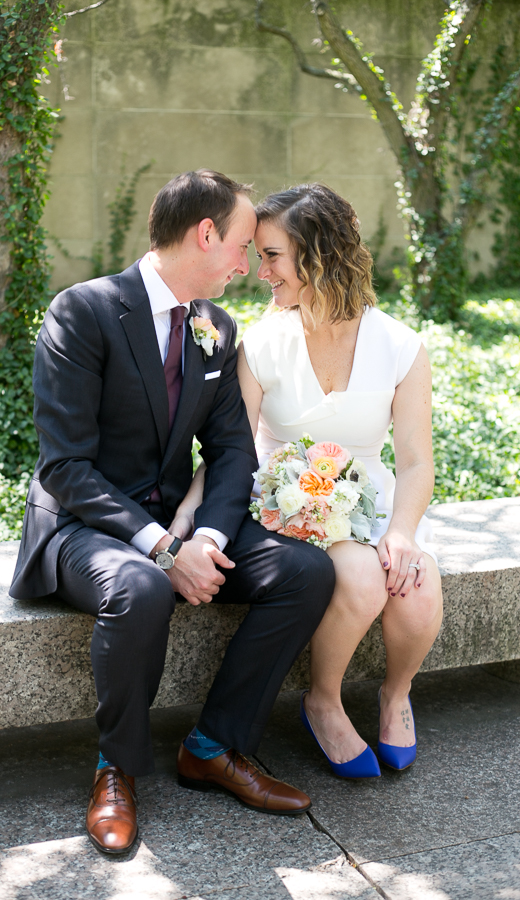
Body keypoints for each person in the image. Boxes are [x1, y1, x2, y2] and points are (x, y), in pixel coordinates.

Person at [9, 170, 335, 857]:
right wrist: (164, 548)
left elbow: (230, 452)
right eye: (244, 246)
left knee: (305, 571)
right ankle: (116, 769)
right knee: (141, 585)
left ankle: (215, 746)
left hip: (179, 523)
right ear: (205, 233)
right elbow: (65, 467)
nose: (249, 265)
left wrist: (208, 536)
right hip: (83, 524)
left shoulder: (216, 326)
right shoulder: (84, 311)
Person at [175, 182, 443, 779]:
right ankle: (323, 699)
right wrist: (184, 522)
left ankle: (395, 694)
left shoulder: (400, 346)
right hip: (284, 502)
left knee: (417, 583)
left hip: (367, 498)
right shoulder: (263, 342)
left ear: (318, 254)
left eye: (272, 256)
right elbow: (231, 446)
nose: (259, 271)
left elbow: (417, 461)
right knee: (364, 580)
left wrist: (401, 532)